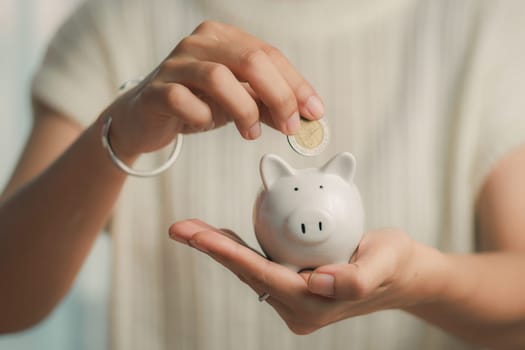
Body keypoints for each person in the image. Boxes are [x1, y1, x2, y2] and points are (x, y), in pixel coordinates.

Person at [1, 0, 525, 349]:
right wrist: (124, 129)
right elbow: (9, 301)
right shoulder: (119, 18)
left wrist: (418, 281)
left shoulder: (484, 22)